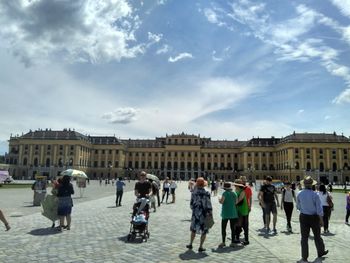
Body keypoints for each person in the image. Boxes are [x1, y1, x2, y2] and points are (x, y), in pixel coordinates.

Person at [297, 176, 328, 262]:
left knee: (304, 238)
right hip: (314, 217)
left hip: (303, 217)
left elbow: (298, 207)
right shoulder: (315, 194)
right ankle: (321, 252)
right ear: (311, 185)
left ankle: (304, 257)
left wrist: (304, 209)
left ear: (304, 184)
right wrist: (321, 221)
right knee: (317, 236)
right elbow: (319, 209)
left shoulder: (299, 193)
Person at [186, 177, 212, 253]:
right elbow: (208, 204)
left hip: (196, 213)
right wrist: (210, 213)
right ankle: (201, 246)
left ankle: (190, 244)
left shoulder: (194, 193)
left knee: (193, 229)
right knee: (204, 231)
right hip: (204, 214)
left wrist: (195, 210)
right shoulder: (207, 193)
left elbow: (191, 204)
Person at [218, 182, 238, 248]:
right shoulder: (234, 193)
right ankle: (233, 242)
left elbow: (222, 202)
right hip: (233, 212)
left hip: (225, 212)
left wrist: (219, 200)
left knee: (223, 228)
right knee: (233, 228)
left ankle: (223, 242)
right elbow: (236, 202)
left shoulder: (225, 193)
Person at [234, 179, 249, 245]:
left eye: (235, 184)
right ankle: (237, 238)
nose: (234, 185)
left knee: (245, 225)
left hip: (243, 209)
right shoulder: (236, 190)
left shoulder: (242, 191)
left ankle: (246, 240)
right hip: (238, 209)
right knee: (238, 224)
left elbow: (238, 201)